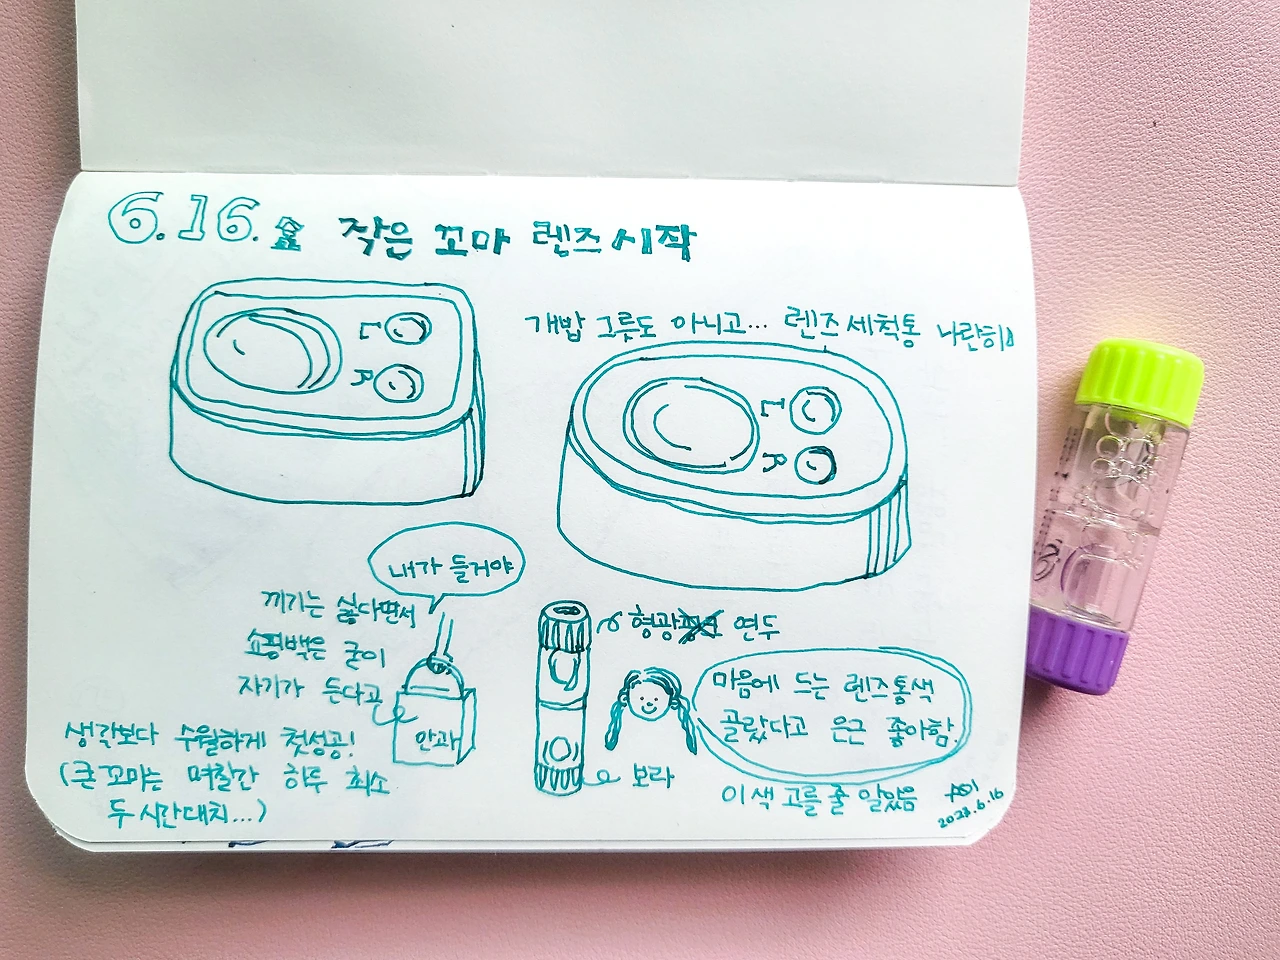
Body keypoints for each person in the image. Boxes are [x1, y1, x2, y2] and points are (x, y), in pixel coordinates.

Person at [603, 667, 698, 755]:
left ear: (671, 700)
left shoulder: (676, 719)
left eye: (656, 699)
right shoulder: (622, 718)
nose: (649, 703)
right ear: (625, 698)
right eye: (641, 698)